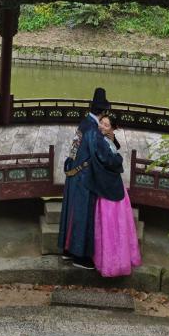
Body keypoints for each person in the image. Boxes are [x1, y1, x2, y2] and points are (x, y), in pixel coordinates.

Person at [58, 87, 112, 269]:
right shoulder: (94, 130)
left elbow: (73, 149)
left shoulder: (83, 124)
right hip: (85, 177)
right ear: (103, 111)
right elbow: (102, 156)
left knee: (70, 211)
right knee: (83, 215)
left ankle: (66, 250)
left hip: (73, 172)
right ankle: (80, 257)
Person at [91, 113, 142, 278]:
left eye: (106, 125)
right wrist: (119, 159)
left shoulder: (106, 137)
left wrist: (112, 139)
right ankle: (112, 262)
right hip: (108, 184)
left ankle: (114, 261)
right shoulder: (98, 139)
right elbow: (111, 160)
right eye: (101, 123)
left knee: (113, 223)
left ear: (112, 128)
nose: (102, 126)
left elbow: (114, 147)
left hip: (111, 184)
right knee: (112, 224)